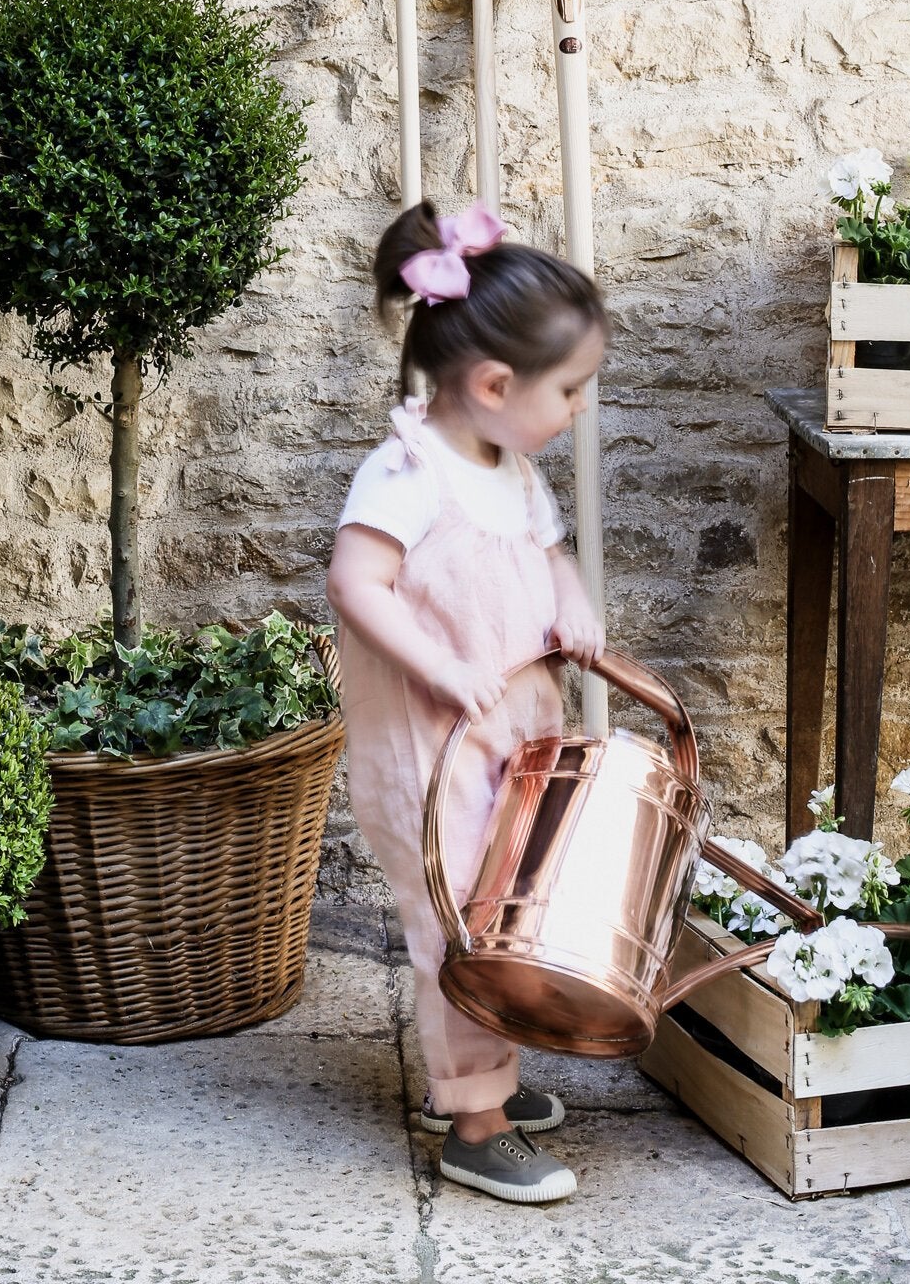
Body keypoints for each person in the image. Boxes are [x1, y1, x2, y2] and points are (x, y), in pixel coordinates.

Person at [326, 200, 608, 1206]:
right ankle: (475, 1123)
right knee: (460, 926)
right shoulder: (407, 472)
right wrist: (436, 665)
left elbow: (550, 556)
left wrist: (573, 608)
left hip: (514, 737)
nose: (579, 404)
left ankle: (482, 1076)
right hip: (433, 750)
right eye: (570, 387)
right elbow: (356, 584)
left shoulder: (510, 468)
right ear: (494, 383)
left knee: (513, 909)